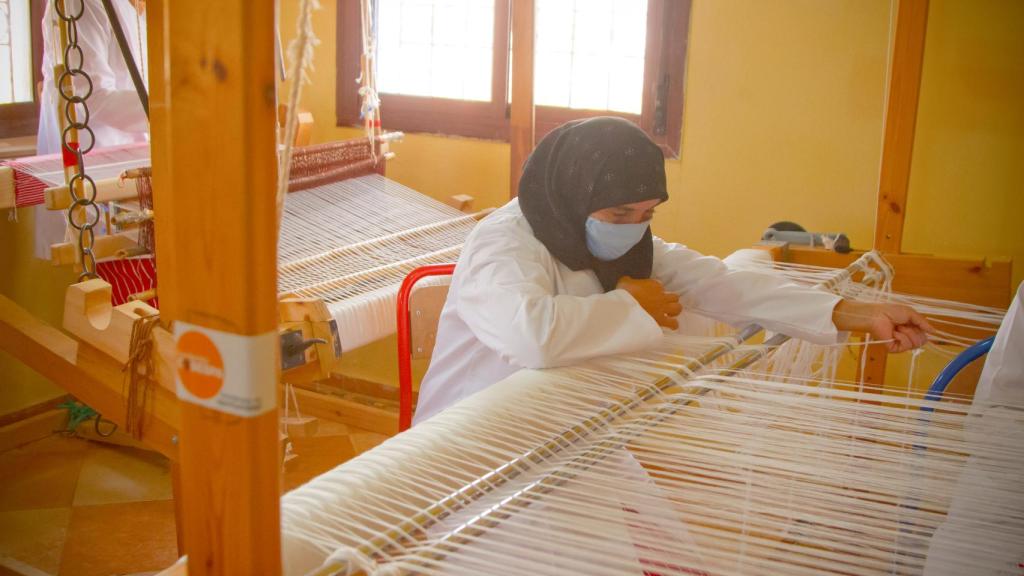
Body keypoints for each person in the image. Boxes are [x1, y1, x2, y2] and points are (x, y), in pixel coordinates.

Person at [414, 117, 931, 424]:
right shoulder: (502, 246)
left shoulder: (613, 240)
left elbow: (717, 282)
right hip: (465, 434)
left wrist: (848, 311)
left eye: (647, 215)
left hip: (554, 425)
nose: (632, 229)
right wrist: (629, 308)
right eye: (619, 215)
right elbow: (532, 336)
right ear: (576, 193)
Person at [34, 0, 148, 259]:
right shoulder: (80, 3)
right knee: (101, 269)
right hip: (92, 169)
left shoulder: (143, 9)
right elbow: (90, 97)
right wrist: (176, 110)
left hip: (136, 173)